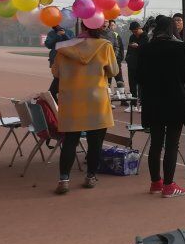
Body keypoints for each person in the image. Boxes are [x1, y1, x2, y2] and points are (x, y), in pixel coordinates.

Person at [50, 26, 119, 194]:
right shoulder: (105, 46)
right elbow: (114, 71)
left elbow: (56, 72)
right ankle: (90, 176)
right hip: (97, 101)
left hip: (71, 100)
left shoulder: (64, 47)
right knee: (95, 143)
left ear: (82, 26)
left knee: (70, 141)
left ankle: (64, 179)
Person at [138, 15, 185, 197]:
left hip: (152, 101)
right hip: (175, 100)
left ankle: (156, 182)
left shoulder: (144, 49)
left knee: (155, 143)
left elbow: (139, 78)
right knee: (171, 144)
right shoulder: (182, 48)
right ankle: (169, 185)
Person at [45, 24, 74, 101]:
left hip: (67, 60)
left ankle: (57, 97)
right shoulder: (51, 33)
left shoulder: (69, 32)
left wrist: (64, 35)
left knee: (62, 80)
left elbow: (72, 44)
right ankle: (56, 97)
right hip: (54, 59)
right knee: (56, 78)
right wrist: (57, 36)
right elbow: (48, 44)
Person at [124, 21, 148, 112]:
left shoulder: (146, 36)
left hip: (142, 64)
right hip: (132, 64)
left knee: (142, 85)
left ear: (140, 28)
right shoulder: (132, 37)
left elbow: (146, 50)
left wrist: (138, 46)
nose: (134, 33)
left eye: (136, 31)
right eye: (133, 31)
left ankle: (141, 104)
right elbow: (129, 49)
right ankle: (133, 104)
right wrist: (128, 59)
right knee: (132, 84)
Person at [103, 19, 126, 95]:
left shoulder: (115, 34)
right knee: (107, 80)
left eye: (112, 25)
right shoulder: (99, 34)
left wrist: (117, 58)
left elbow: (119, 47)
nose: (111, 27)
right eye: (110, 25)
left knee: (119, 79)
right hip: (105, 61)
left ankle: (122, 96)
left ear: (115, 26)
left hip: (115, 61)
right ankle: (108, 97)